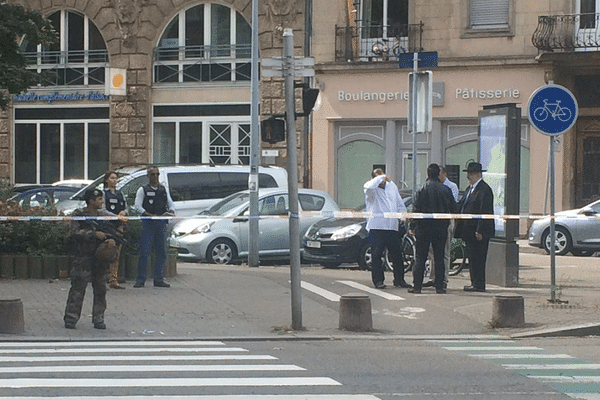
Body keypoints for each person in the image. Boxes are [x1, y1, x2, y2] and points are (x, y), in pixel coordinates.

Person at [64, 188, 126, 330]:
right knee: (78, 288)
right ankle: (71, 318)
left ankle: (99, 318)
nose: (101, 201)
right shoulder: (79, 214)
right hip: (82, 256)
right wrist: (93, 234)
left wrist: (111, 239)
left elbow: (114, 227)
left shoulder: (103, 215)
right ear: (91, 201)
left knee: (100, 289)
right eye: (98, 199)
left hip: (99, 257)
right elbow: (74, 232)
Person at [408, 163, 456, 294]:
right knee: (439, 257)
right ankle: (439, 286)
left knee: (420, 257)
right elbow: (453, 209)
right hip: (440, 228)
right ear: (438, 174)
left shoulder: (422, 189)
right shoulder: (446, 190)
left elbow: (416, 209)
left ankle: (417, 286)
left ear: (427, 173)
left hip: (423, 228)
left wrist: (412, 226)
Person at [364, 168, 411, 289]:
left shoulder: (392, 186)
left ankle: (399, 279)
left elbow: (399, 203)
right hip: (377, 226)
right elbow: (370, 185)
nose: (382, 182)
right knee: (377, 255)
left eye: (383, 179)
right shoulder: (371, 189)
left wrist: (402, 216)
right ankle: (378, 281)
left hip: (391, 226)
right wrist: (380, 177)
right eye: (379, 179)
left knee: (397, 255)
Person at [455, 162, 495, 292]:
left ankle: (479, 284)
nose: (468, 177)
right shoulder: (469, 189)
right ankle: (474, 282)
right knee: (472, 257)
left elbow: (485, 211)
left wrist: (480, 230)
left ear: (478, 174)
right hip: (468, 230)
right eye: (468, 174)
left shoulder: (484, 190)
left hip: (478, 231)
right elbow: (462, 205)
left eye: (471, 174)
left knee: (478, 258)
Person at [133, 166, 175, 288]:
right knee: (144, 252)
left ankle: (158, 279)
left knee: (161, 252)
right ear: (148, 176)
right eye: (153, 174)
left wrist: (171, 211)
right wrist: (148, 214)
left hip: (161, 223)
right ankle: (140, 279)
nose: (155, 177)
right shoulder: (143, 190)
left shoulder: (163, 189)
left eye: (157, 174)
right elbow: (138, 206)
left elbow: (171, 203)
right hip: (148, 223)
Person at [423, 166, 459, 288]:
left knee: (444, 252)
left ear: (444, 174)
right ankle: (433, 277)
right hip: (435, 223)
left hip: (446, 221)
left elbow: (452, 205)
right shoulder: (433, 186)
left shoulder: (451, 187)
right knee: (432, 252)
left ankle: (443, 278)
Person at [103, 170, 128, 289]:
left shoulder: (120, 194)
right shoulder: (103, 194)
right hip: (107, 226)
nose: (114, 180)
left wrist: (123, 213)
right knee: (107, 251)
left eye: (116, 178)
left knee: (117, 253)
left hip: (119, 226)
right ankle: (103, 277)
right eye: (112, 178)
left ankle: (114, 279)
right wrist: (114, 216)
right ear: (107, 180)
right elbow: (102, 210)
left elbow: (126, 208)